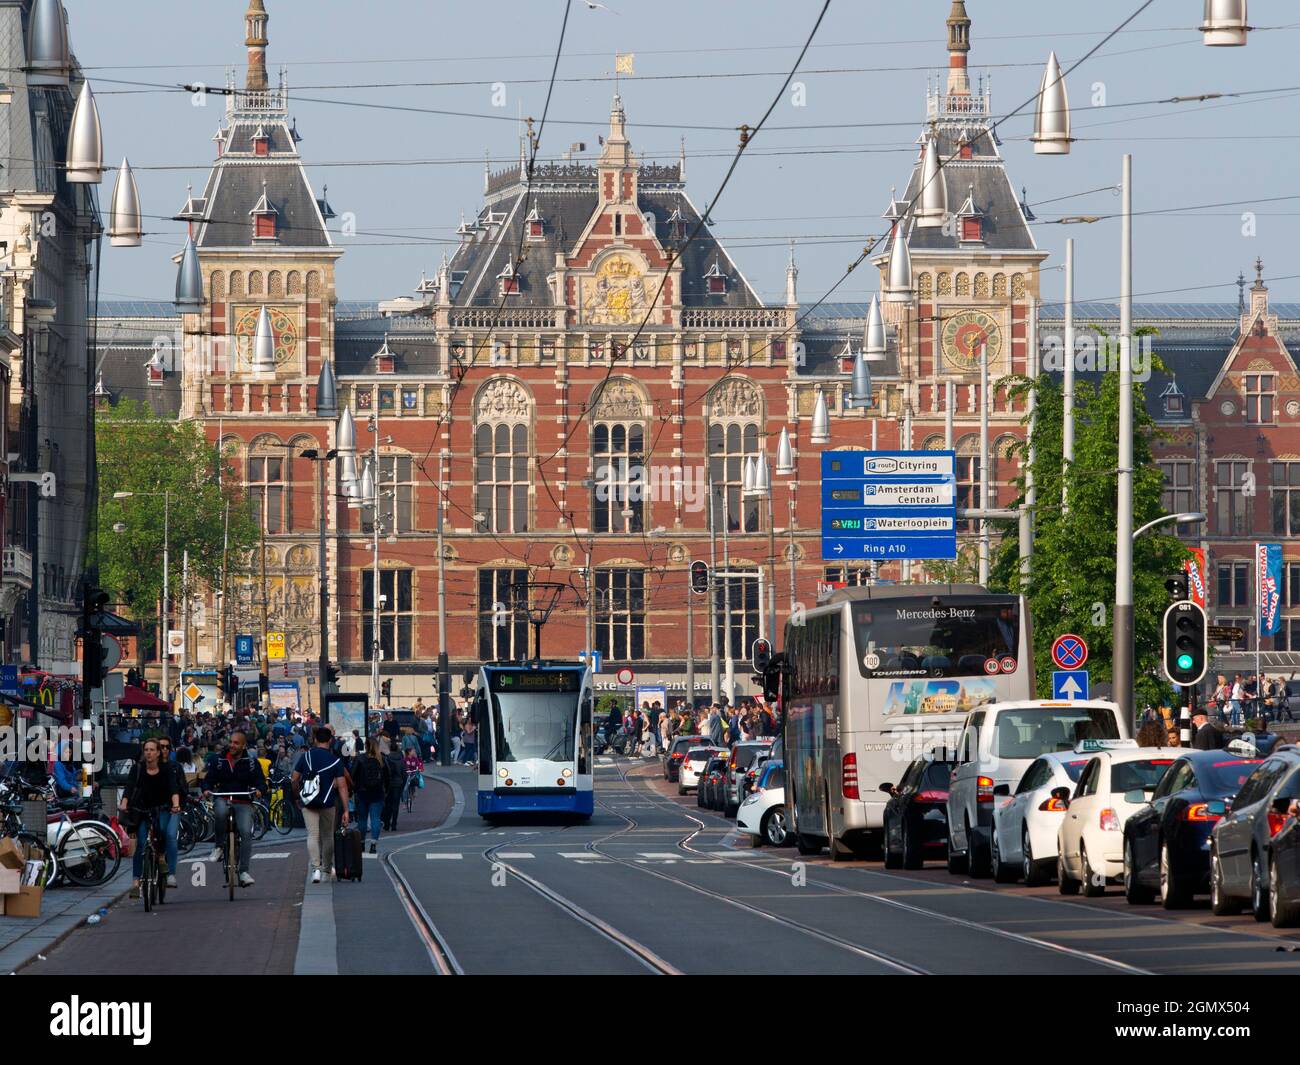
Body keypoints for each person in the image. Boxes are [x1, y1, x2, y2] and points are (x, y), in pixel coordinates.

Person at [202, 730, 267, 887]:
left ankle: (244, 871)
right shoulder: (219, 761)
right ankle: (218, 846)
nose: (232, 745)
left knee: (246, 832)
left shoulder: (251, 763)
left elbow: (261, 782)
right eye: (231, 742)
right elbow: (208, 779)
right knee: (220, 812)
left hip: (243, 800)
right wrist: (206, 788)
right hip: (224, 797)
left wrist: (259, 790)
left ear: (243, 745)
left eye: (236, 743)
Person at [120, 738, 183, 897]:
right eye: (146, 749)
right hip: (141, 808)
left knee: (162, 830)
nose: (149, 752)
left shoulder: (167, 768)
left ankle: (161, 857)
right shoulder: (138, 768)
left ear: (158, 753)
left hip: (162, 806)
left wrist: (175, 805)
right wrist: (124, 803)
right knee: (140, 844)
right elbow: (129, 786)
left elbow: (173, 787)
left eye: (152, 750)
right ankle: (136, 883)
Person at [292, 727, 350, 883]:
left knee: (312, 834)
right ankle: (326, 869)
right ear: (330, 740)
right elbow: (342, 785)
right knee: (327, 836)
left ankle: (315, 869)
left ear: (315, 740)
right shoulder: (335, 761)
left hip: (308, 802)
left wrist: (297, 796)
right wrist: (346, 810)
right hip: (328, 803)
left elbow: (294, 778)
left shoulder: (306, 757)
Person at [351, 737, 389, 852]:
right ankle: (373, 844)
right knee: (375, 819)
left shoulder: (360, 758)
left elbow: (352, 774)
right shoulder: (382, 759)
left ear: (365, 746)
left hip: (362, 793)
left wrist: (354, 789)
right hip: (377, 793)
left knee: (362, 819)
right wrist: (385, 791)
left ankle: (362, 843)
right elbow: (387, 777)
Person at [381, 738, 405, 832]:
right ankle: (394, 824)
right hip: (398, 784)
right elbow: (404, 774)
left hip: (389, 784)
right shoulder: (401, 760)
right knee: (396, 805)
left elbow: (384, 773)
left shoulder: (387, 758)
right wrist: (402, 784)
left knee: (388, 804)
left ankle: (387, 824)